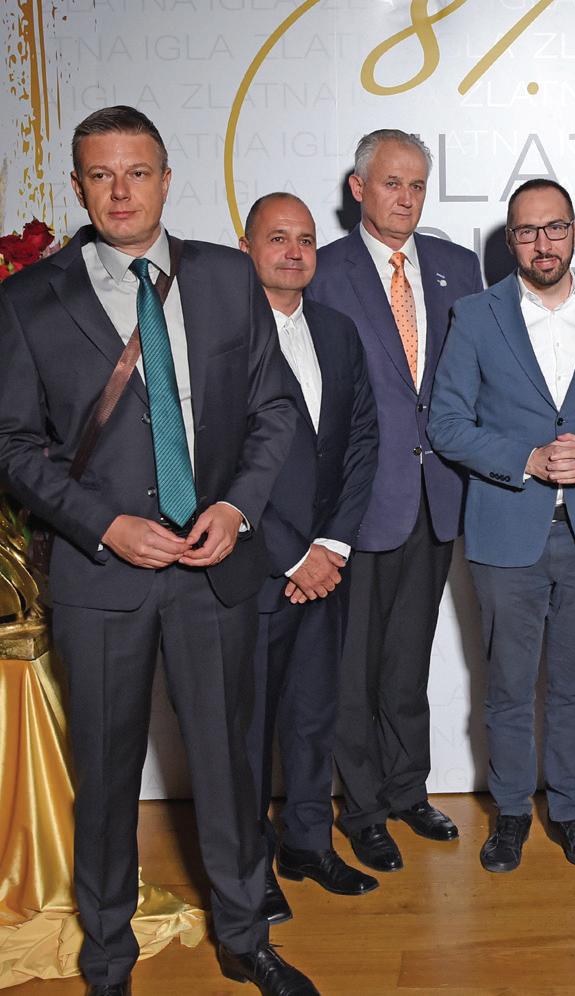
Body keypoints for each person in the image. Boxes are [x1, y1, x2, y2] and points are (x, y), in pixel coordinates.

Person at [0, 106, 317, 994]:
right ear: (77, 187)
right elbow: (13, 445)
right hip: (103, 576)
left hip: (214, 569)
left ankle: (246, 936)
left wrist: (238, 508)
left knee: (230, 765)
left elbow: (274, 410)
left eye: (137, 173)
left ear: (167, 180)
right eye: (101, 176)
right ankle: (107, 957)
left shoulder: (225, 276)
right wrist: (103, 524)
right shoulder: (29, 300)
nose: (120, 192)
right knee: (105, 778)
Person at [429, 178, 575, 873]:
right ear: (510, 240)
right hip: (504, 532)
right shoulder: (475, 315)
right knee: (509, 688)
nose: (542, 243)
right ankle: (513, 814)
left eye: (554, 228)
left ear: (574, 231)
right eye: (527, 231)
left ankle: (572, 812)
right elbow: (446, 423)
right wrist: (524, 459)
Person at [305, 129, 483, 872]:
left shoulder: (457, 266)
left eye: (416, 185)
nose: (406, 198)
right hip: (356, 502)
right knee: (352, 669)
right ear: (358, 188)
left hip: (437, 495)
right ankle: (363, 809)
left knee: (409, 660)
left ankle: (409, 789)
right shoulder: (323, 270)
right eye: (390, 183)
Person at [239, 192, 379, 921]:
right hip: (253, 569)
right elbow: (215, 467)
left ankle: (306, 844)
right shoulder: (220, 337)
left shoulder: (337, 329)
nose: (294, 252)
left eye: (305, 240)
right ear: (247, 247)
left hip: (326, 566)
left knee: (313, 714)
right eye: (278, 238)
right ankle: (249, 867)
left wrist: (332, 545)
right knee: (247, 729)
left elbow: (362, 440)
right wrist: (293, 556)